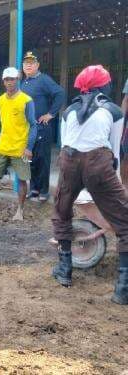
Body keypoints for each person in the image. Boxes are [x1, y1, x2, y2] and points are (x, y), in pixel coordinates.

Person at [51, 65, 127, 305]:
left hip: (69, 161)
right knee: (124, 221)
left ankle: (64, 271)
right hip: (99, 163)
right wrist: (113, 185)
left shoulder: (68, 111)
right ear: (104, 86)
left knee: (62, 210)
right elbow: (114, 151)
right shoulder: (114, 112)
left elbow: (65, 145)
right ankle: (123, 288)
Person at [0, 67, 38, 222]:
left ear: (17, 79)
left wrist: (29, 147)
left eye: (12, 79)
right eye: (7, 79)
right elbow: (1, 125)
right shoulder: (0, 101)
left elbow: (33, 125)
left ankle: (20, 211)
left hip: (20, 148)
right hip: (3, 146)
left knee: (22, 179)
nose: (10, 82)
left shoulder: (26, 100)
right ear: (3, 82)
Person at [20, 51, 66, 202]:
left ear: (37, 65)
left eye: (31, 63)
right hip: (28, 129)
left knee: (42, 160)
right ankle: (34, 189)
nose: (28, 65)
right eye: (26, 63)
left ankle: (44, 191)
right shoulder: (24, 83)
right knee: (30, 159)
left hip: (42, 128)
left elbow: (60, 93)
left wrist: (51, 114)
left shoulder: (43, 79)